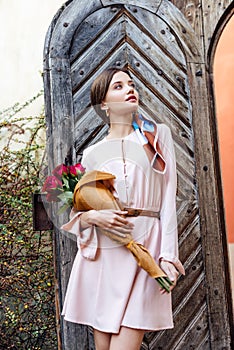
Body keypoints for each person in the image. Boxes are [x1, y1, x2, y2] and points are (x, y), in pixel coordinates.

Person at [61, 67, 185, 350]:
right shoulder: (92, 154)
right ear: (103, 103)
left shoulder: (155, 136)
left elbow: (168, 196)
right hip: (105, 258)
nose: (130, 89)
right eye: (118, 86)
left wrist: (167, 256)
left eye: (131, 84)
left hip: (146, 252)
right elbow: (81, 211)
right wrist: (94, 216)